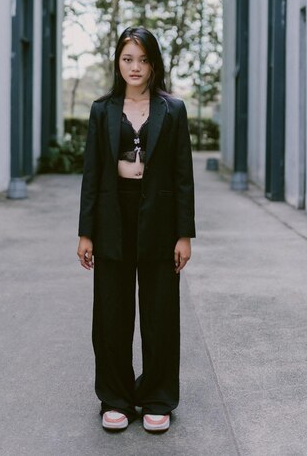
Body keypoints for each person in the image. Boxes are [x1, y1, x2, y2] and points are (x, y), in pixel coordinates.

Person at [77, 26, 195, 432]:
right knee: (111, 310)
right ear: (117, 62)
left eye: (143, 59)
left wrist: (184, 234)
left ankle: (158, 397)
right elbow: (91, 175)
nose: (135, 67)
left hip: (160, 220)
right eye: (128, 58)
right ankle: (116, 398)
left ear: (154, 63)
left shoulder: (173, 110)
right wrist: (86, 232)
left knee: (161, 310)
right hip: (113, 216)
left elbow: (183, 176)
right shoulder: (101, 109)